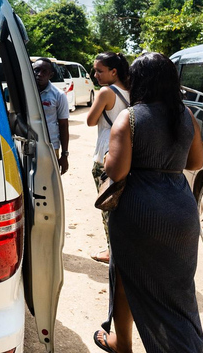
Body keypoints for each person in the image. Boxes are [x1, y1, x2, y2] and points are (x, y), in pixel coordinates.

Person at [94, 52, 203, 353]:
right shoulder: (187, 116)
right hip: (181, 211)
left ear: (138, 81)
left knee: (125, 274)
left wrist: (107, 159)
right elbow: (196, 163)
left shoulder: (129, 117)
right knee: (178, 286)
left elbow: (117, 172)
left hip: (138, 211)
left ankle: (122, 343)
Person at [86, 52, 130, 264]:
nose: (95, 75)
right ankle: (123, 248)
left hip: (105, 154)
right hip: (126, 154)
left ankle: (112, 251)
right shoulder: (133, 90)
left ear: (114, 71)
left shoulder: (105, 92)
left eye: (99, 71)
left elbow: (90, 120)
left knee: (107, 205)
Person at [32, 58, 69, 174]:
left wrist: (64, 155)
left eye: (44, 72)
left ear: (51, 75)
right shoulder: (24, 92)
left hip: (50, 147)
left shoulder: (58, 95)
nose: (39, 74)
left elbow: (63, 125)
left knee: (49, 181)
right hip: (29, 145)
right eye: (36, 70)